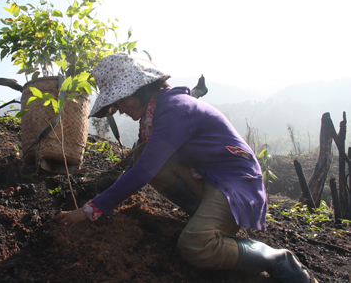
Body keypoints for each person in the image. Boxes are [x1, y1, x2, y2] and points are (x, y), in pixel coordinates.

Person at [57, 53, 316, 283]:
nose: (120, 109)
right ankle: (200, 214)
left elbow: (144, 171)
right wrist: (104, 196)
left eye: (121, 100)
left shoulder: (174, 109)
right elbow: (139, 162)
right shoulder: (156, 112)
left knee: (194, 245)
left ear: (139, 87)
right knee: (142, 151)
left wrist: (93, 207)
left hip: (235, 184)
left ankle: (276, 259)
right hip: (209, 177)